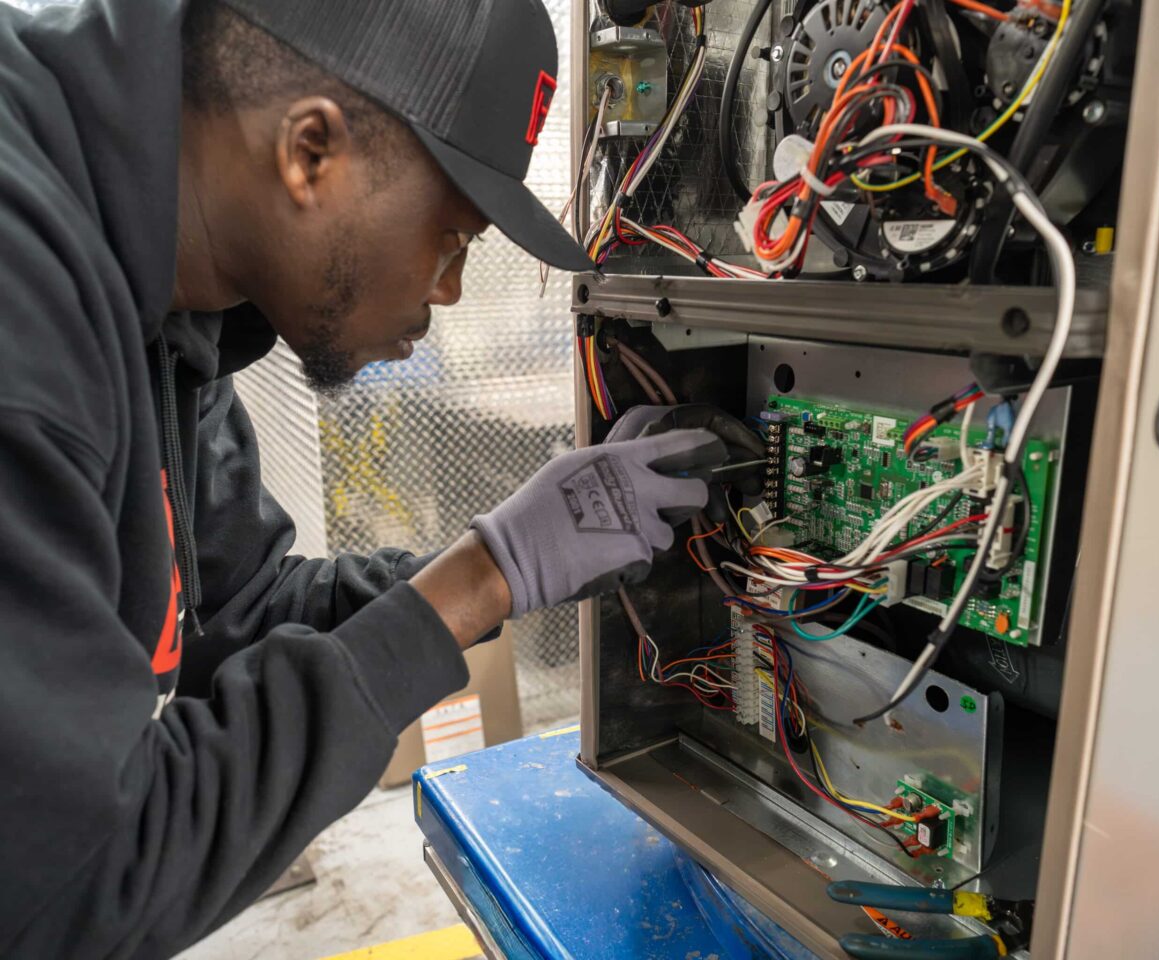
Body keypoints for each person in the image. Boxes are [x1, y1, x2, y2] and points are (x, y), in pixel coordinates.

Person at [0, 0, 764, 956]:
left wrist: (516, 563)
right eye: (452, 238)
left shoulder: (168, 294)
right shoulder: (28, 318)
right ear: (310, 153)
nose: (448, 291)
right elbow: (75, 887)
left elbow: (232, 613)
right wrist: (482, 577)